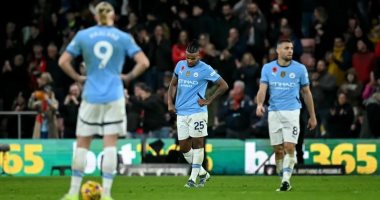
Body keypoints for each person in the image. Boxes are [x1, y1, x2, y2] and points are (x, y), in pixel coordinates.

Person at [58, 2, 149, 200]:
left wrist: (77, 77)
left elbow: (62, 61)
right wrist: (128, 77)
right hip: (114, 96)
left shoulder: (83, 36)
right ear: (113, 16)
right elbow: (144, 62)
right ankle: (106, 193)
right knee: (110, 146)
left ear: (95, 16)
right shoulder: (123, 37)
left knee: (82, 144)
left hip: (91, 95)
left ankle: (73, 193)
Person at [256, 39, 317, 191]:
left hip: (292, 111)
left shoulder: (300, 69)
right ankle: (282, 175)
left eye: (291, 48)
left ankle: (286, 181)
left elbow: (306, 92)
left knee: (290, 146)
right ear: (278, 51)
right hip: (274, 112)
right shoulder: (268, 68)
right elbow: (262, 89)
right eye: (286, 48)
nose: (290, 51)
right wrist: (259, 104)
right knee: (278, 149)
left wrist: (312, 116)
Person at [168, 40, 229, 188]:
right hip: (181, 112)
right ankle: (203, 173)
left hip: (197, 112)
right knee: (183, 148)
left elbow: (224, 85)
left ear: (199, 56)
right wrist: (170, 103)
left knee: (198, 145)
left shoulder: (206, 69)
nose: (189, 60)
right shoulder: (180, 65)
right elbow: (173, 84)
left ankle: (192, 179)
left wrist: (209, 100)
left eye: (193, 58)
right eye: (187, 57)